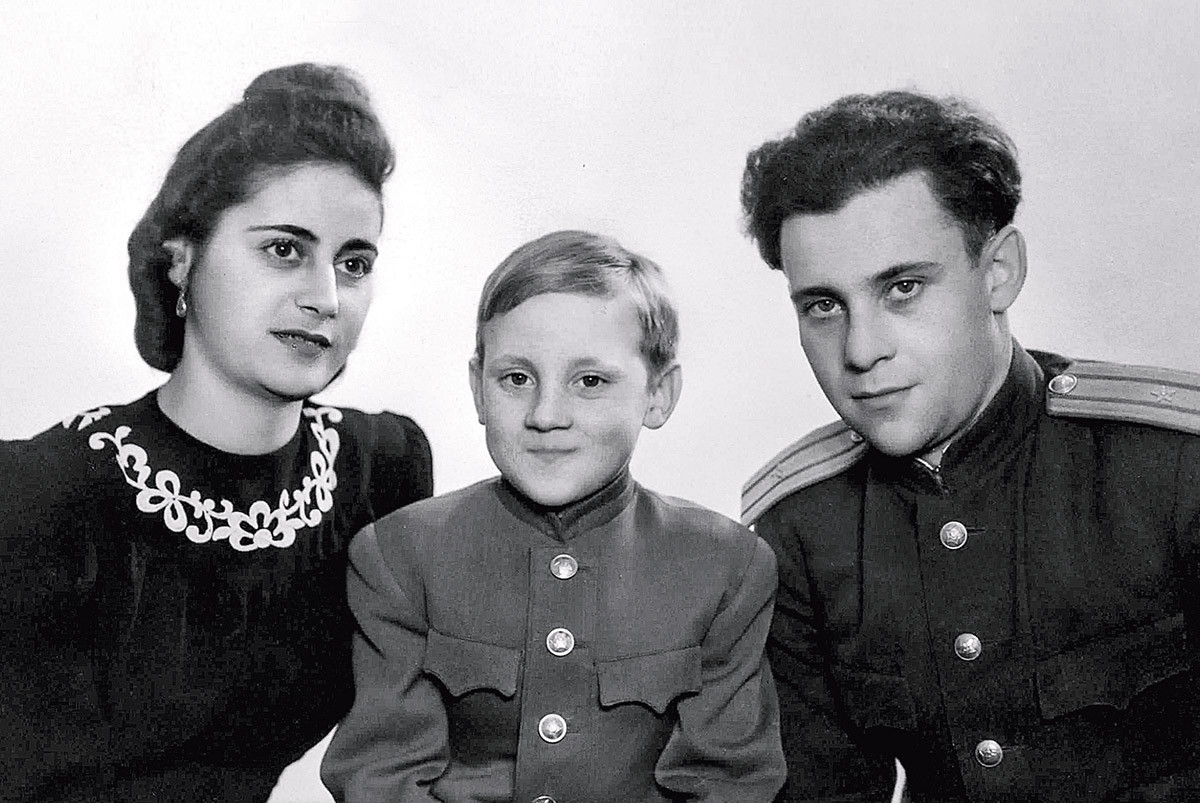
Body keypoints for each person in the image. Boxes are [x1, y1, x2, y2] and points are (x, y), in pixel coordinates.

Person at [738, 90, 1200, 802]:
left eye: (903, 288)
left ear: (998, 272)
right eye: (823, 306)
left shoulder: (1170, 467)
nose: (860, 350)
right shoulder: (801, 532)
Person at [0, 63, 433, 802]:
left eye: (353, 262)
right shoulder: (42, 495)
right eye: (284, 249)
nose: (326, 297)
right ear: (182, 261)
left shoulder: (381, 471)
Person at [320, 230, 786, 801]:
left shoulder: (725, 566)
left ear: (659, 394)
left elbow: (730, 784)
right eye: (516, 379)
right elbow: (380, 778)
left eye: (589, 381)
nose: (546, 414)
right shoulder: (400, 556)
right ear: (478, 388)